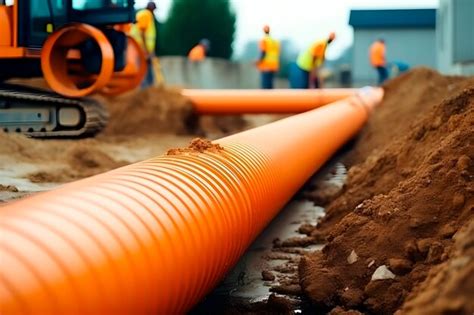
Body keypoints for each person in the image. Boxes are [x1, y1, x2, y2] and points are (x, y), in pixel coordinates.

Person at [131, 1, 157, 88]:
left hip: (139, 47)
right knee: (144, 69)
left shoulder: (142, 14)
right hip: (142, 48)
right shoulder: (146, 15)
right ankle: (146, 90)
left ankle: (148, 88)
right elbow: (142, 32)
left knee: (145, 68)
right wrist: (147, 50)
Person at [256, 25, 280, 89]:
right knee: (270, 84)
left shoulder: (264, 40)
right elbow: (277, 53)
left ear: (264, 31)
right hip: (274, 65)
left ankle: (265, 98)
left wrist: (258, 61)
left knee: (265, 85)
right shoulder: (274, 41)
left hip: (266, 65)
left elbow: (263, 52)